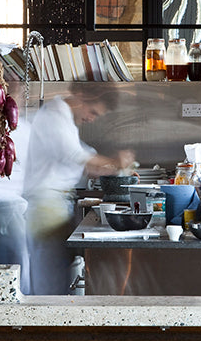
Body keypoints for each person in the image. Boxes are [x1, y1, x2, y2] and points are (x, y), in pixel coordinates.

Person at [23, 84, 135, 295]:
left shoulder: (65, 119)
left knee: (58, 279)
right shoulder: (54, 115)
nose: (92, 118)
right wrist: (114, 162)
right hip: (46, 208)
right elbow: (75, 155)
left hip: (55, 207)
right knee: (51, 287)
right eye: (93, 111)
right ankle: (48, 324)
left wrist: (111, 169)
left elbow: (84, 157)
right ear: (82, 95)